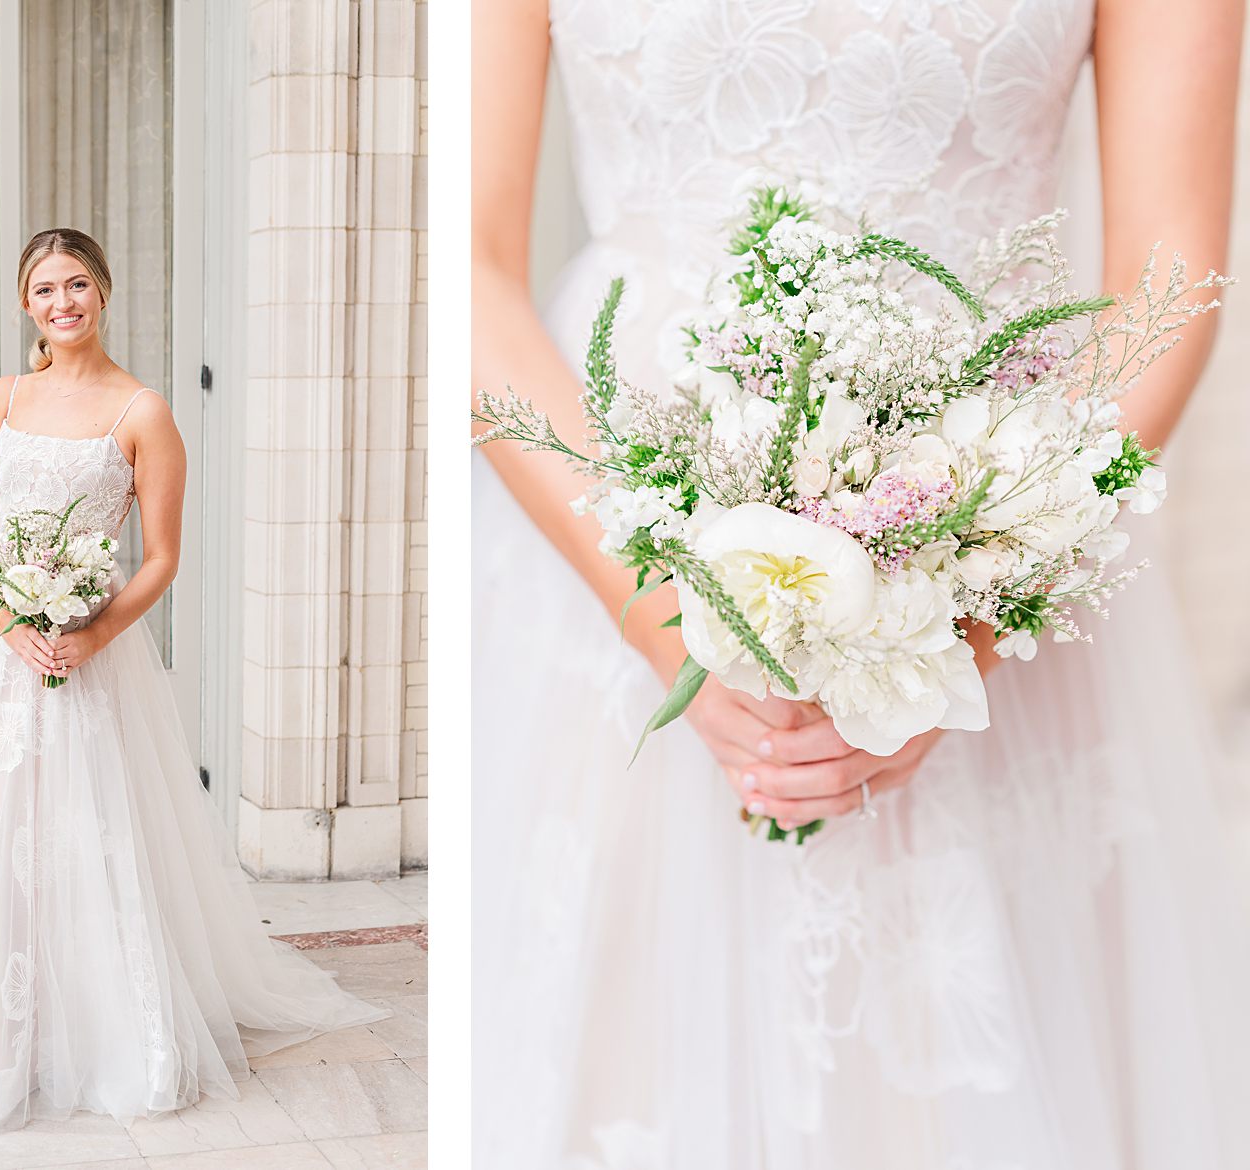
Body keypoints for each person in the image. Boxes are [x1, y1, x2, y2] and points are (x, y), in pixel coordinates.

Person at [471, 1, 1250, 1166]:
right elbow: (466, 263)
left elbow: (1168, 279)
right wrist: (658, 610)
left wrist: (960, 624)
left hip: (1004, 505)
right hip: (606, 516)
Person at [0, 227, 386, 1131]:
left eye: (77, 285)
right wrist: (8, 621)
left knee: (87, 825)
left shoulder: (143, 411)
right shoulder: (3, 397)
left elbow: (160, 559)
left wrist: (89, 634)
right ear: (26, 305)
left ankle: (107, 1019)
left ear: (103, 293)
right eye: (44, 290)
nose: (62, 302)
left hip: (88, 650)